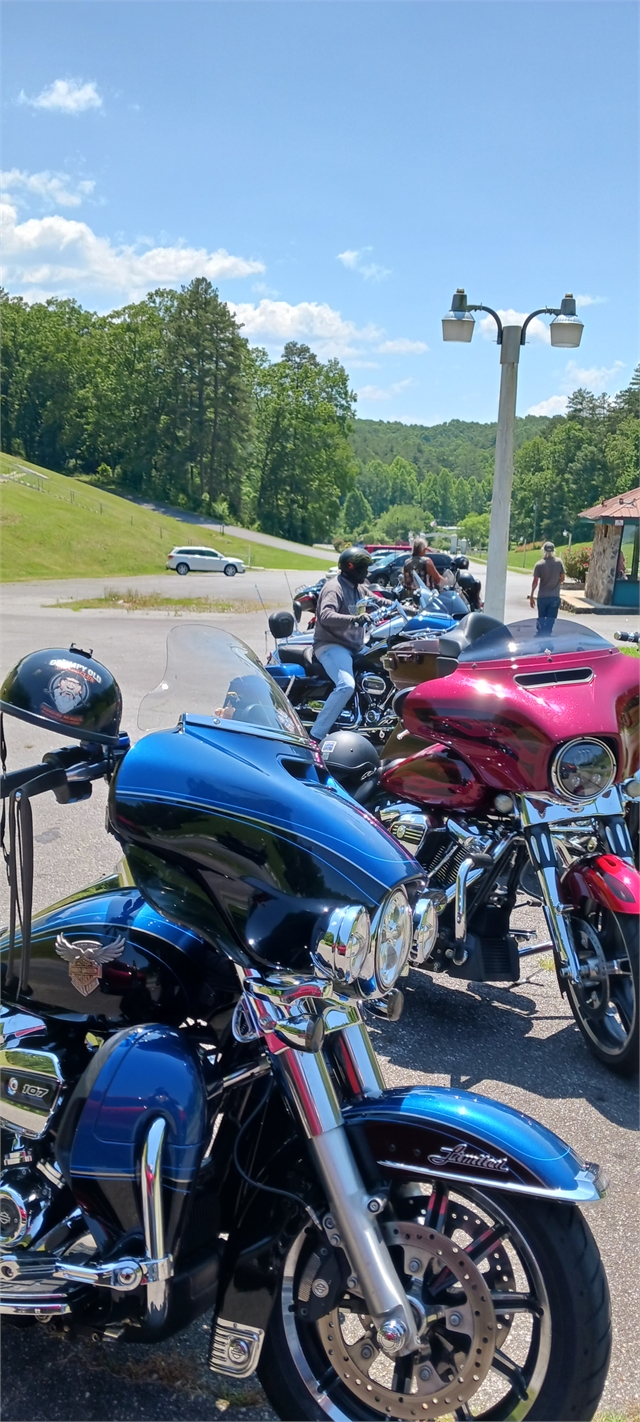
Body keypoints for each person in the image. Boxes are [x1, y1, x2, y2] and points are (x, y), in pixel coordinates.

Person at [310, 545, 372, 742]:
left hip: (354, 645)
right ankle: (316, 736)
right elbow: (326, 615)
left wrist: (401, 605)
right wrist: (353, 619)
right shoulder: (334, 587)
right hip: (332, 645)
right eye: (363, 569)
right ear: (351, 567)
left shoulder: (358, 587)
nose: (367, 572)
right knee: (346, 685)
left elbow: (376, 600)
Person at [530, 541, 565, 634]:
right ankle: (547, 638)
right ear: (554, 551)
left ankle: (540, 635)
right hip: (554, 596)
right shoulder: (559, 562)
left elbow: (535, 582)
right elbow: (562, 579)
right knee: (550, 622)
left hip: (542, 597)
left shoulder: (539, 564)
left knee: (541, 619)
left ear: (543, 551)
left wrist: (532, 596)